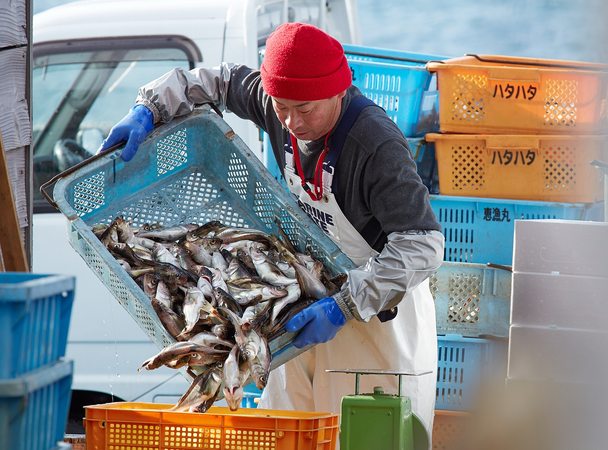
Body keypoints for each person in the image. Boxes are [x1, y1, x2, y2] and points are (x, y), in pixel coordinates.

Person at [99, 22, 444, 442]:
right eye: (281, 107)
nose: (292, 121)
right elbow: (217, 81)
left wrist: (345, 305)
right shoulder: (278, 102)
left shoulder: (375, 145)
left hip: (378, 320)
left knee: (361, 437)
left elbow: (422, 245)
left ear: (338, 90)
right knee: (285, 433)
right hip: (297, 307)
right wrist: (151, 106)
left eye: (306, 108)